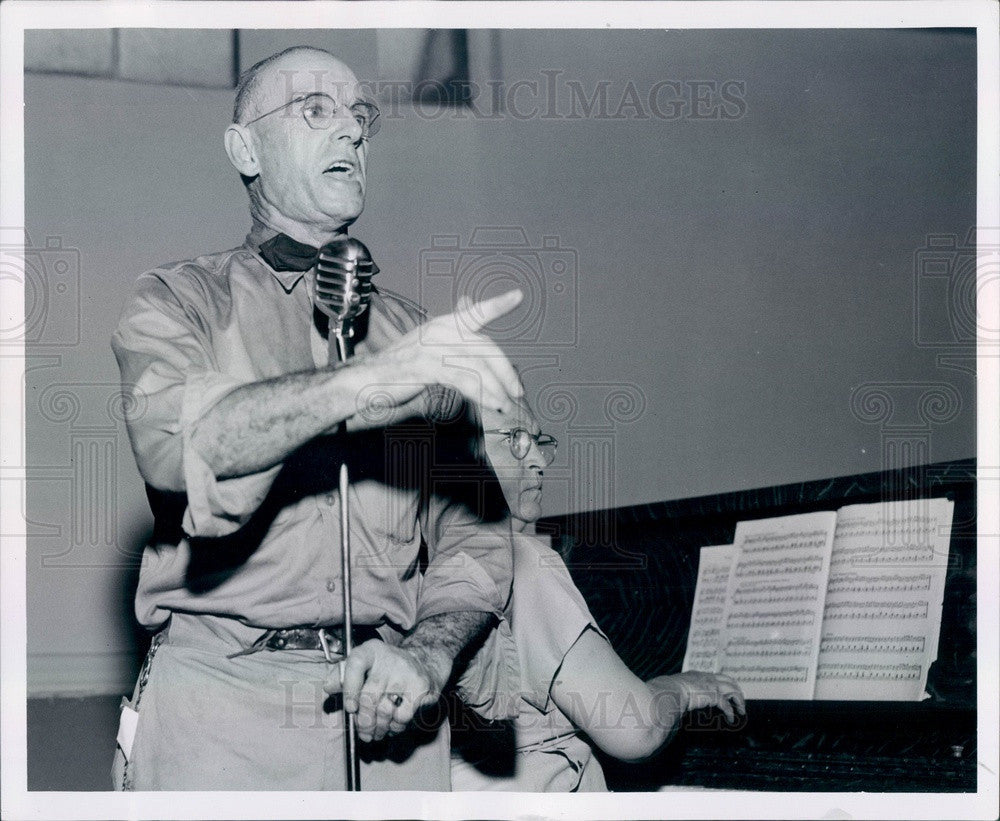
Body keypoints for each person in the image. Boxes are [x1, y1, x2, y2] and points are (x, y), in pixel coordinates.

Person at [110, 46, 526, 791]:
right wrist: (365, 382)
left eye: (359, 116)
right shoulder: (178, 302)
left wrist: (430, 650)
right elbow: (184, 447)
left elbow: (477, 526)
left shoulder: (416, 334)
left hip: (391, 716)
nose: (351, 134)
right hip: (223, 717)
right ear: (245, 149)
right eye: (314, 110)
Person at [449, 400, 747, 791]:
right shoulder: (518, 558)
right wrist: (685, 687)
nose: (539, 458)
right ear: (459, 456)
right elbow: (636, 730)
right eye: (515, 440)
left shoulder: (420, 559)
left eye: (538, 441)